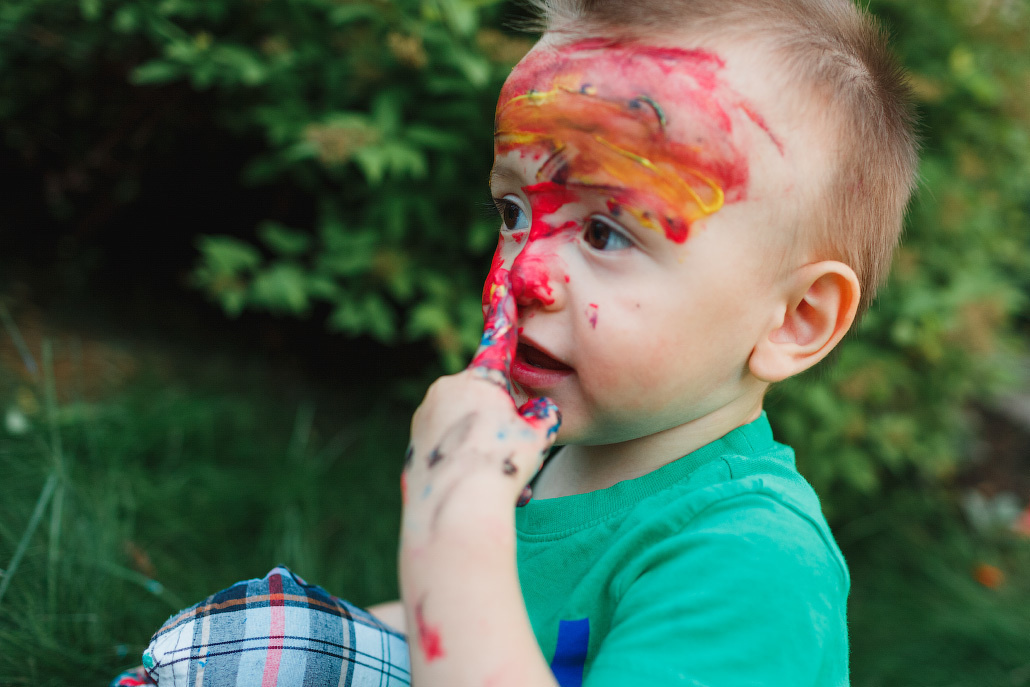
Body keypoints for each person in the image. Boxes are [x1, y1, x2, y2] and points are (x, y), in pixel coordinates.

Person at [114, 0, 918, 684]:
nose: (525, 272)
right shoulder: (555, 454)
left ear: (795, 320)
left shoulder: (753, 564)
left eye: (606, 231)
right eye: (514, 213)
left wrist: (453, 517)